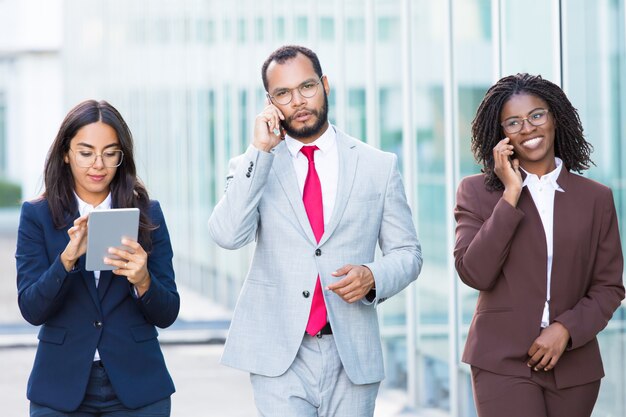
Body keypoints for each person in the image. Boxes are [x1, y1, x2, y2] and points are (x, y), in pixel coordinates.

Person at [208, 44, 422, 416]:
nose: (299, 101)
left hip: (351, 353)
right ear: (269, 103)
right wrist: (259, 151)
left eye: (307, 87)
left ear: (325, 85)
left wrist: (373, 275)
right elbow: (227, 234)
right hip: (279, 356)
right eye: (283, 94)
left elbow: (409, 253)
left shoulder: (377, 165)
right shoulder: (252, 165)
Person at [454, 73, 625, 417]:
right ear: (501, 135)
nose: (528, 128)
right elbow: (475, 273)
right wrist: (511, 194)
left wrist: (566, 329)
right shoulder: (475, 192)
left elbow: (608, 287)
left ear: (554, 118)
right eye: (513, 122)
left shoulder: (596, 198)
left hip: (574, 364)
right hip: (501, 360)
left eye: (536, 115)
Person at [16, 100, 179, 416]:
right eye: (86, 152)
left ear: (122, 155)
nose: (98, 164)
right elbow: (31, 308)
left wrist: (143, 280)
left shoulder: (147, 214)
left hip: (138, 385)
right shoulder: (37, 215)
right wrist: (66, 260)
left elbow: (168, 312)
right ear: (66, 153)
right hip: (60, 387)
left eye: (110, 152)